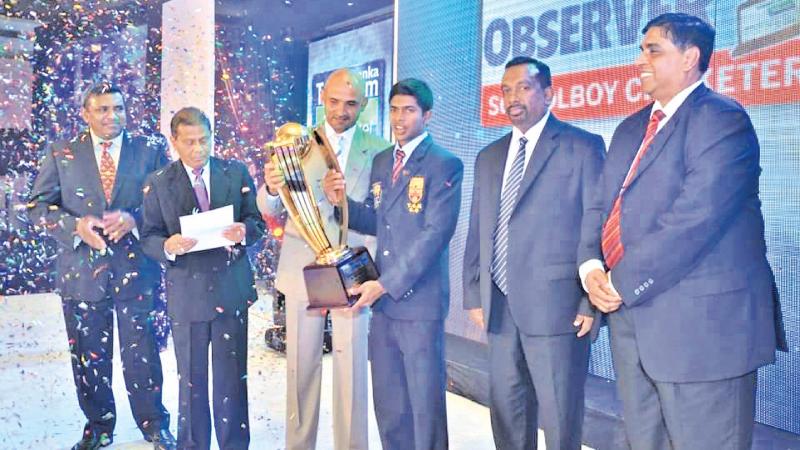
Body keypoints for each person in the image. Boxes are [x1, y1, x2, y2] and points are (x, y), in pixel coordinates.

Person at [578, 13, 783, 449]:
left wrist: (618, 281)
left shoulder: (722, 121)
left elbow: (694, 220)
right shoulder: (630, 128)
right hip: (632, 322)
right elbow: (601, 206)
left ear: (690, 58)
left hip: (703, 333)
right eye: (641, 49)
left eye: (653, 49)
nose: (640, 60)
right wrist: (591, 267)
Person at [462, 56, 604, 449]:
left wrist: (588, 300)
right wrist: (474, 291)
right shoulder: (488, 157)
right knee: (507, 413)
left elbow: (597, 225)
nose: (512, 98)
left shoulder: (582, 147)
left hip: (559, 309)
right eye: (505, 90)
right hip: (500, 307)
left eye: (523, 87)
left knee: (560, 417)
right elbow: (479, 229)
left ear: (549, 94)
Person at [28, 82, 176, 450]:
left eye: (119, 109)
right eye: (104, 110)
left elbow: (173, 200)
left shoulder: (151, 149)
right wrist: (74, 227)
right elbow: (37, 209)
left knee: (141, 353)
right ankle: (99, 425)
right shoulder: (62, 152)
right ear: (85, 114)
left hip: (137, 271)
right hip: (81, 273)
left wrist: (136, 218)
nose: (113, 117)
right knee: (88, 354)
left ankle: (154, 425)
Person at [323, 78, 463, 450]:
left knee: (424, 406)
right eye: (395, 109)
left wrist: (385, 284)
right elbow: (375, 218)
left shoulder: (445, 164)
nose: (400, 119)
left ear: (427, 115)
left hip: (417, 304)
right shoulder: (384, 160)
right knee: (390, 405)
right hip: (383, 306)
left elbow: (434, 235)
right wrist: (342, 204)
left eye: (410, 110)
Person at [257, 68, 389, 450]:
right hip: (303, 269)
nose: (341, 110)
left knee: (351, 370)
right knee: (300, 368)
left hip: (352, 273)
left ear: (363, 106)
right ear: (322, 99)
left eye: (350, 104)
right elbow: (267, 205)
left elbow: (381, 213)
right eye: (333, 101)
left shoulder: (379, 149)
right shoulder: (297, 142)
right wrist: (269, 186)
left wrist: (345, 201)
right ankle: (299, 445)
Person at [140, 107, 265, 450]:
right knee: (191, 382)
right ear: (174, 142)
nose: (199, 149)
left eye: (204, 140)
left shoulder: (235, 172)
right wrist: (168, 245)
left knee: (231, 379)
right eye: (190, 142)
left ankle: (235, 445)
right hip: (188, 294)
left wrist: (244, 230)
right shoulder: (159, 182)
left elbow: (257, 223)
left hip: (231, 289)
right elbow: (148, 237)